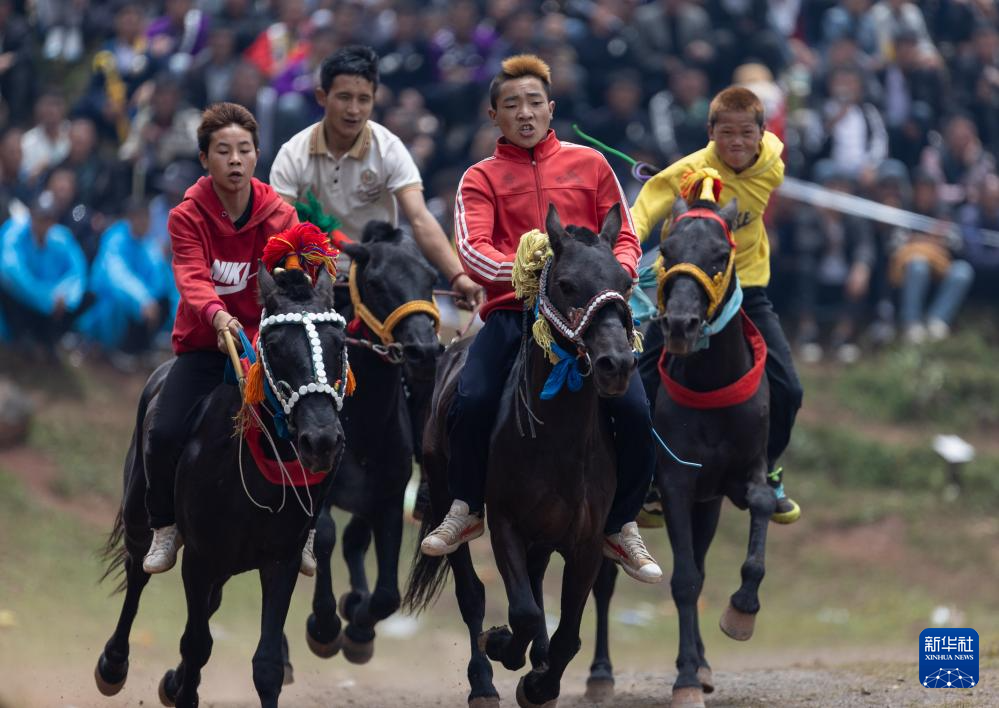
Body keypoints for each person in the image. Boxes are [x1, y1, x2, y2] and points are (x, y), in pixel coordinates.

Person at [419, 54, 662, 584]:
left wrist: (611, 276)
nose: (524, 114)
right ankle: (465, 506)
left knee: (638, 410)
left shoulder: (592, 166)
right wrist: (527, 273)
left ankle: (621, 524)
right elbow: (472, 252)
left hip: (592, 313)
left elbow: (625, 239)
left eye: (534, 103)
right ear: (494, 116)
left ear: (551, 109)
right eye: (512, 105)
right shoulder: (478, 178)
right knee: (472, 397)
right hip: (513, 313)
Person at [141, 102, 302, 575]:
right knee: (164, 431)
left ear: (256, 156)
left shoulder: (282, 216)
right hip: (203, 348)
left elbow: (291, 280)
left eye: (244, 150)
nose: (235, 159)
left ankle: (307, 528)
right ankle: (164, 525)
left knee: (312, 419)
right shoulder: (186, 216)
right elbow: (191, 276)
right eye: (223, 150)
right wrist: (217, 316)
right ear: (205, 159)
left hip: (264, 351)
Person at [631, 86, 802, 524]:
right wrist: (626, 249)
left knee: (789, 388)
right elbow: (647, 204)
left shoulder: (773, 166)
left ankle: (767, 472)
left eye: (748, 133)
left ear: (762, 133)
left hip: (748, 290)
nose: (738, 142)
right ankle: (645, 475)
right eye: (726, 133)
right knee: (643, 378)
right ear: (710, 133)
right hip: (689, 292)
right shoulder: (691, 170)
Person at [268, 45, 483, 310]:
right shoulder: (293, 154)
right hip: (312, 281)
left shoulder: (389, 148)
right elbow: (279, 226)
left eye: (364, 99)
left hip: (376, 280)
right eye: (344, 97)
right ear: (322, 97)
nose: (354, 109)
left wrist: (458, 276)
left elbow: (419, 218)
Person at [77, 197, 176, 362]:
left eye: (147, 218)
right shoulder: (115, 238)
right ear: (131, 218)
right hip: (106, 302)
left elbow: (162, 280)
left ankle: (136, 349)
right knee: (115, 303)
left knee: (162, 302)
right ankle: (100, 346)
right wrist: (143, 299)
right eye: (141, 217)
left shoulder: (149, 246)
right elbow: (118, 276)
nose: (145, 222)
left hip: (140, 309)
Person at [0, 190, 92, 356]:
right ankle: (19, 337)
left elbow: (77, 272)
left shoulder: (61, 238)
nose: (43, 223)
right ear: (31, 215)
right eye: (40, 217)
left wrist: (65, 294)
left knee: (86, 296)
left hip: (50, 304)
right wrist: (47, 298)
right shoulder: (14, 233)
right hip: (21, 299)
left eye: (48, 218)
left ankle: (46, 340)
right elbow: (13, 273)